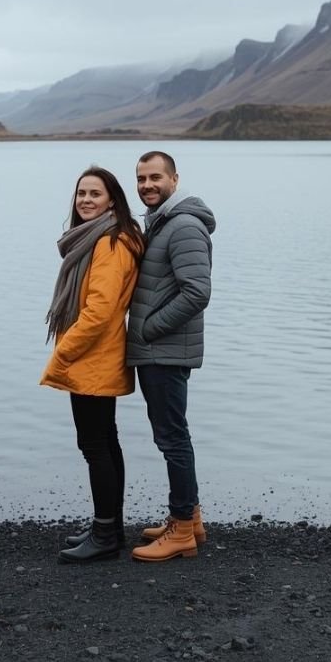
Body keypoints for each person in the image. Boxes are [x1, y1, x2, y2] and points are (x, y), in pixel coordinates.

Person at [40, 165, 144, 564]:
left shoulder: (110, 243)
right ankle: (109, 528)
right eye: (81, 193)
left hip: (93, 356)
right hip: (98, 356)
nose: (85, 200)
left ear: (112, 200)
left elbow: (100, 311)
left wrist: (63, 353)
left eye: (94, 194)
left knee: (95, 446)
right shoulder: (101, 237)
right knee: (105, 442)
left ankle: (105, 536)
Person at [126, 150, 216, 562]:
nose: (147, 185)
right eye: (141, 178)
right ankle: (190, 518)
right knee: (174, 435)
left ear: (175, 180)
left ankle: (181, 531)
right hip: (159, 350)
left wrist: (148, 329)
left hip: (163, 351)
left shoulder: (182, 226)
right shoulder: (161, 223)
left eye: (155, 178)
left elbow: (197, 292)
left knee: (172, 439)